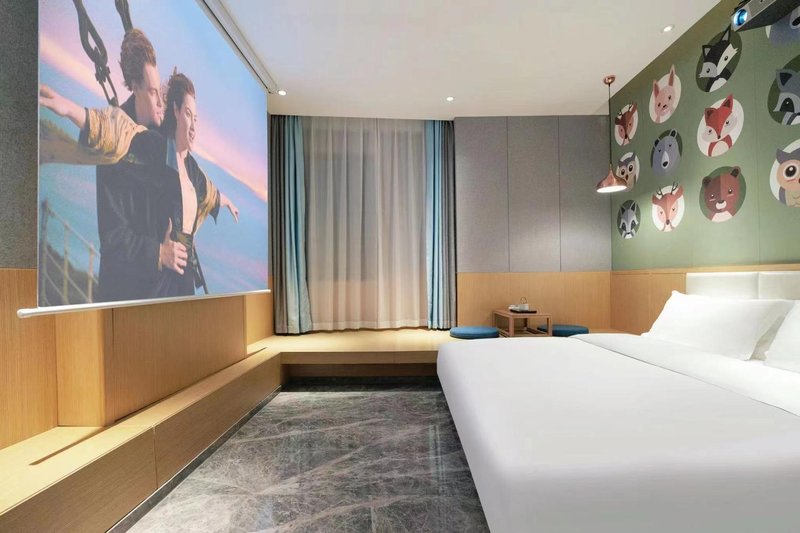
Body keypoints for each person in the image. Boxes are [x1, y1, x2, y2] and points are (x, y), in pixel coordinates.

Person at [39, 72, 239, 297]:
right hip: (161, 280)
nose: (193, 126)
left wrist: (226, 201)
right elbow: (120, 135)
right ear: (175, 111)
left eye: (196, 119)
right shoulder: (157, 147)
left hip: (185, 282)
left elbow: (209, 193)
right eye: (188, 114)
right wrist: (73, 111)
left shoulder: (193, 169)